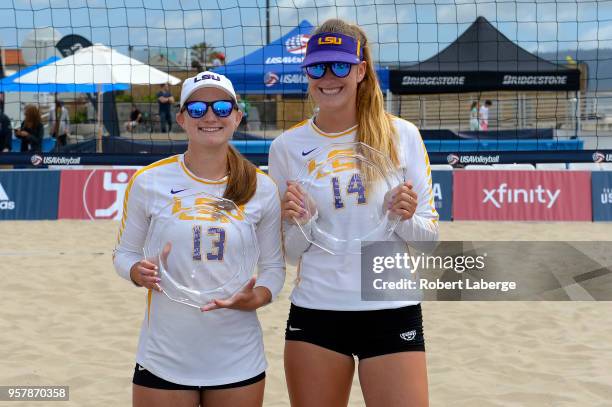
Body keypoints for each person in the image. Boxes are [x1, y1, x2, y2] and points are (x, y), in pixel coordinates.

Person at [268, 19, 438, 407]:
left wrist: (404, 217)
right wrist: (301, 221)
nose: (329, 77)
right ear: (307, 73)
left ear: (361, 70)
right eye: (318, 67)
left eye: (340, 66)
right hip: (317, 313)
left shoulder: (402, 136)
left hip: (390, 307)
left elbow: (429, 243)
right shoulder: (286, 147)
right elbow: (290, 254)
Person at [113, 71, 285, 407]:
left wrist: (259, 297)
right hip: (165, 357)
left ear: (237, 116)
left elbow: (274, 268)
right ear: (181, 118)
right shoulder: (148, 181)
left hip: (237, 357)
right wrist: (137, 272)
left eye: (222, 107)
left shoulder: (261, 187)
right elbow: (124, 254)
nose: (210, 116)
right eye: (197, 109)